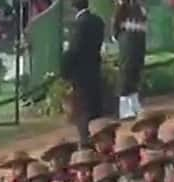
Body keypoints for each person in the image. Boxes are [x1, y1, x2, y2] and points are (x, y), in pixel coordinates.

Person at [63, 0, 105, 146]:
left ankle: (86, 144)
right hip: (95, 70)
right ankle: (99, 140)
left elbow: (74, 51)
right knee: (95, 109)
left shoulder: (79, 24)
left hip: (80, 76)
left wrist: (64, 71)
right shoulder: (98, 21)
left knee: (83, 113)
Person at [112, 0, 147, 120]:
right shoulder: (123, 5)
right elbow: (116, 25)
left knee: (136, 70)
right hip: (128, 39)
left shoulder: (139, 6)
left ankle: (134, 104)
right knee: (126, 70)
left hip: (139, 38)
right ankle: (124, 108)